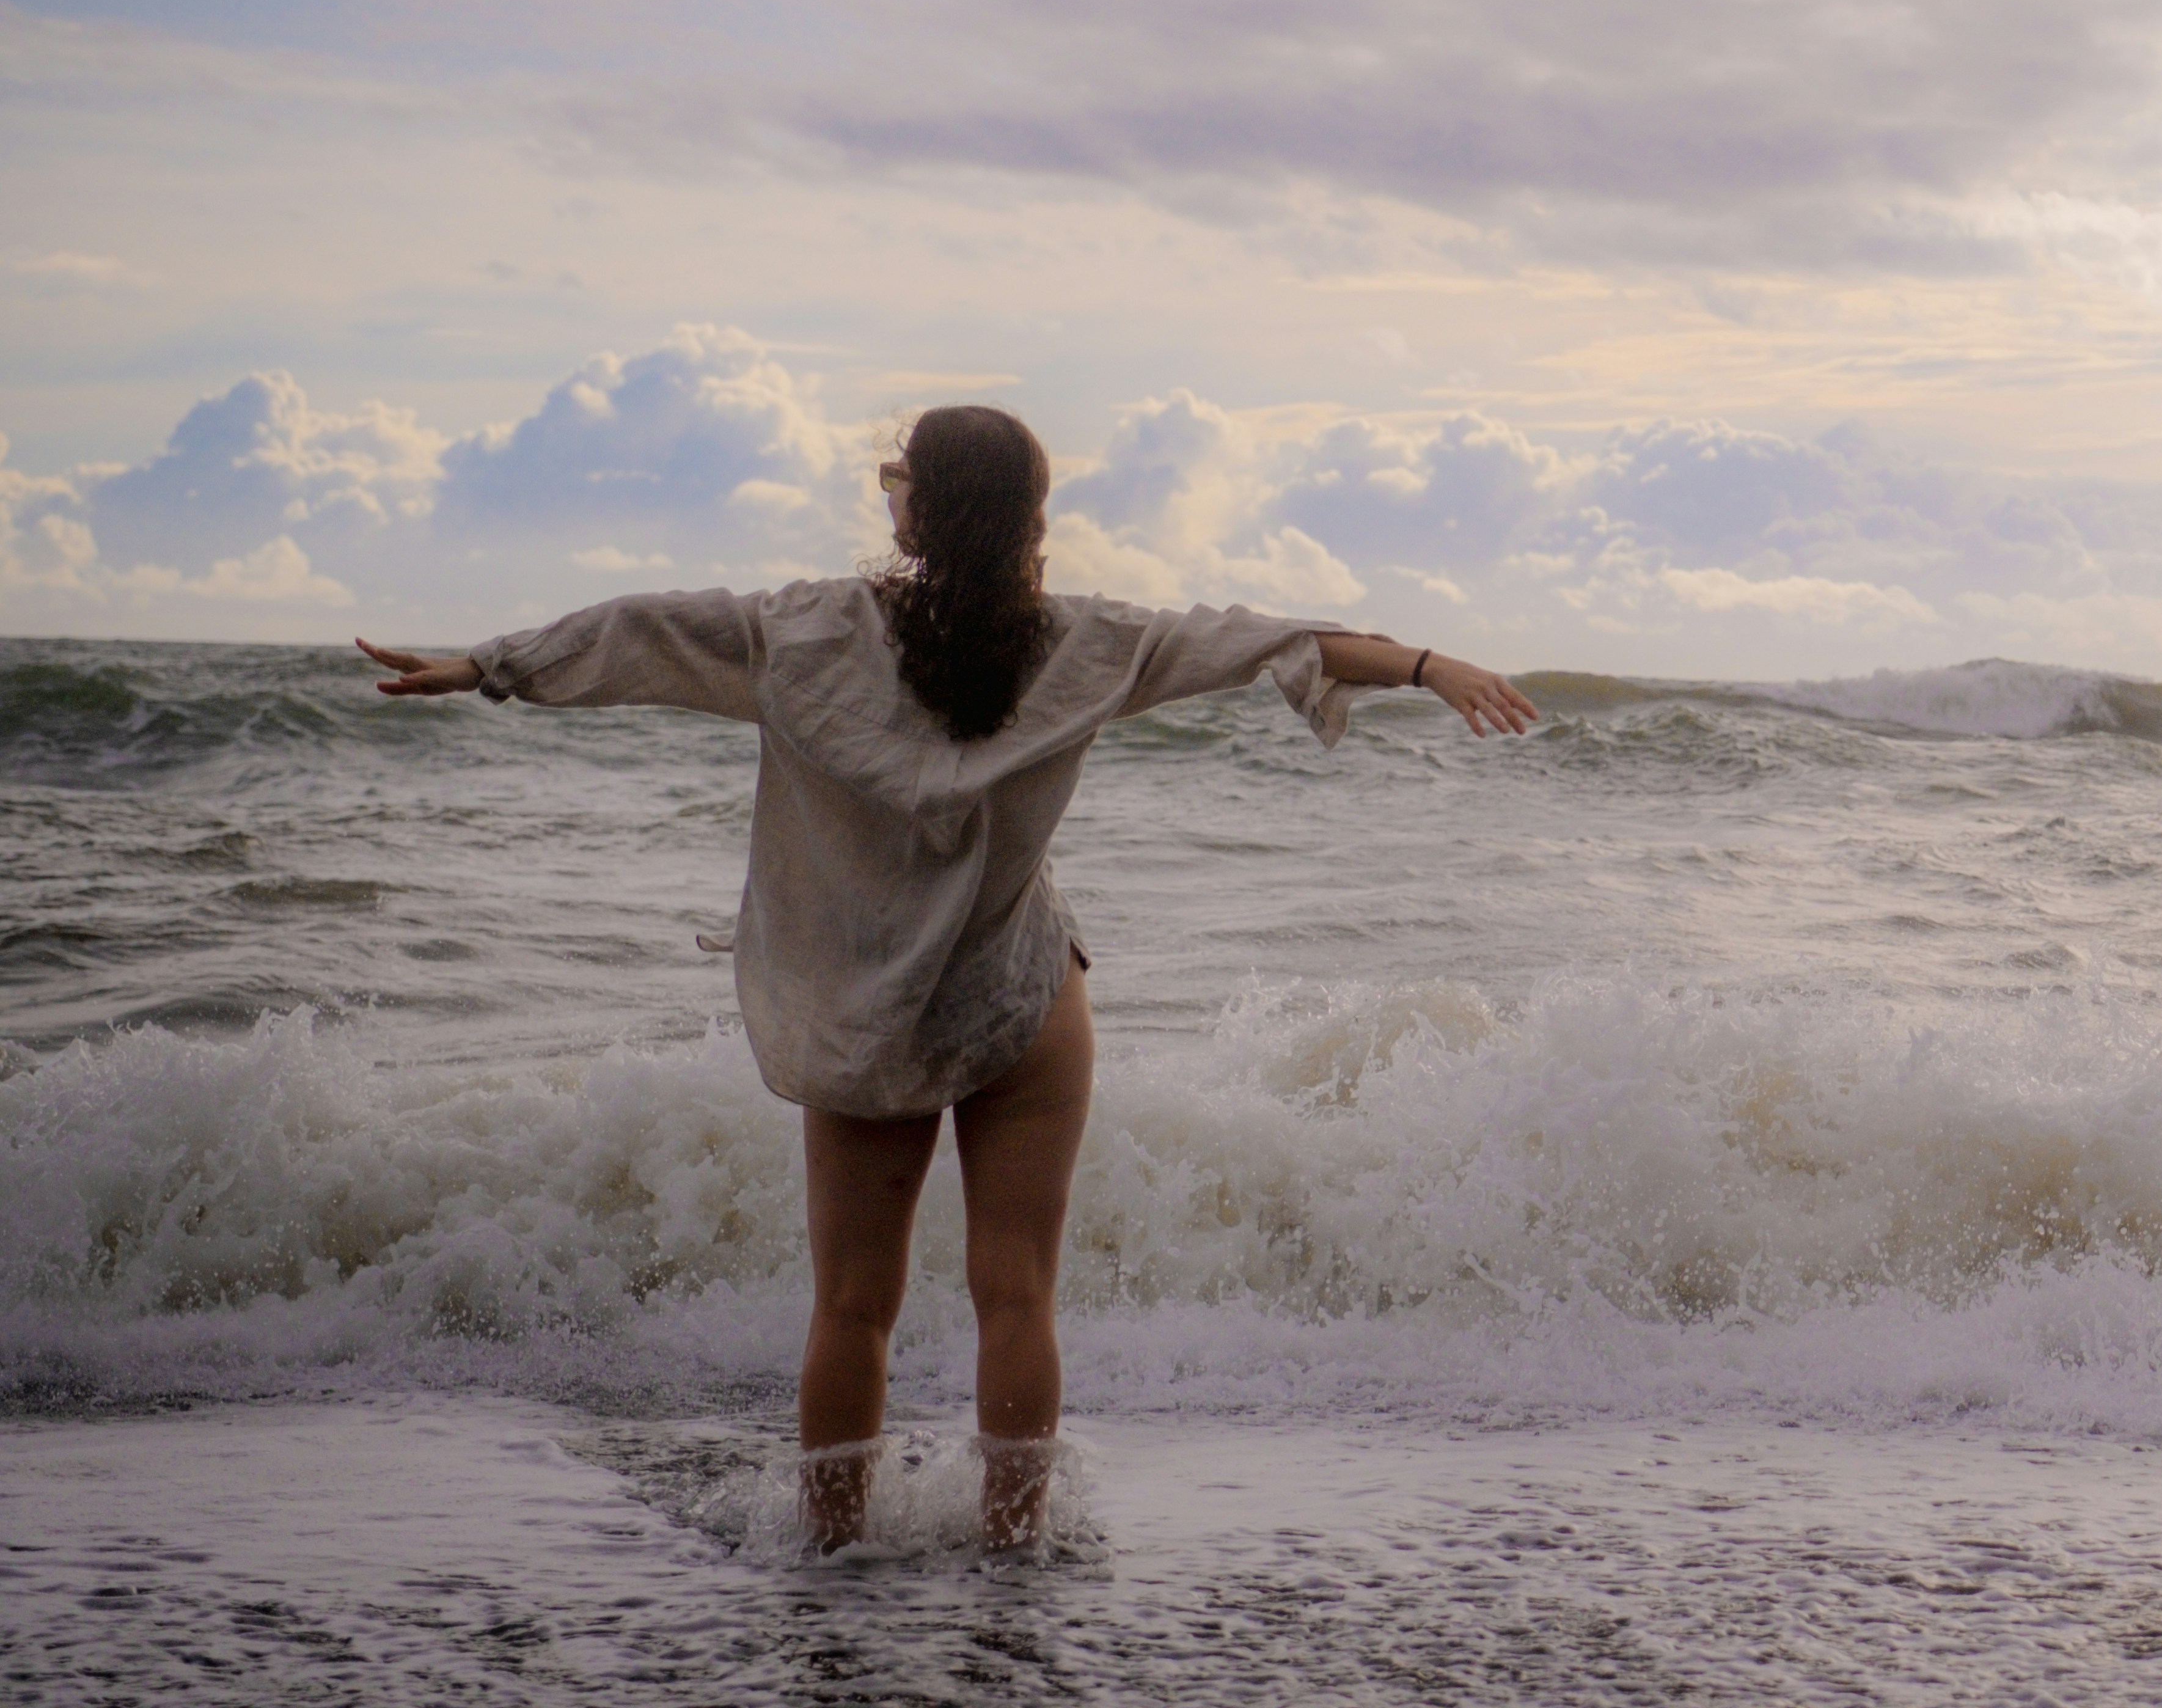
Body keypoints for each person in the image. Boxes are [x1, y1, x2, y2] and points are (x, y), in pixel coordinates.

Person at [356, 403, 1536, 1549]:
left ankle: (830, 1551)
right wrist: (1431, 665)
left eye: (895, 479)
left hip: (870, 1022)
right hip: (1025, 998)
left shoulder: (802, 631)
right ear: (1026, 523)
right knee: (1015, 1293)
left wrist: (485, 666)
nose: (889, 493)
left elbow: (639, 633)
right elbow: (1272, 640)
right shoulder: (1087, 641)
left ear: (920, 513)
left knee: (851, 1310)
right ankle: (1015, 1553)